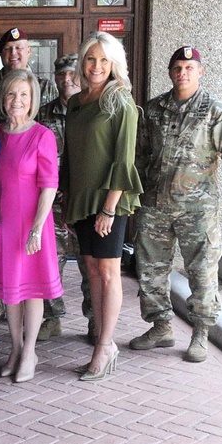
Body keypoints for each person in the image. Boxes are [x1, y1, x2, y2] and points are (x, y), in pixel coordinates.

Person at [132, 46, 222, 362]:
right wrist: (136, 195)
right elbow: (140, 154)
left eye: (189, 67)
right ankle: (161, 327)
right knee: (150, 270)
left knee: (201, 272)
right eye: (177, 67)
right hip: (156, 205)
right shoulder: (155, 109)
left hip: (198, 210)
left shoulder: (215, 110)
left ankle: (201, 332)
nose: (182, 73)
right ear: (170, 72)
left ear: (200, 72)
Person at [61, 32, 142, 381]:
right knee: (92, 270)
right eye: (91, 59)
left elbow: (124, 161)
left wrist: (109, 209)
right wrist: (66, 202)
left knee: (109, 273)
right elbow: (71, 155)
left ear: (114, 65)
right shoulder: (76, 102)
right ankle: (102, 343)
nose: (96, 66)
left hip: (110, 200)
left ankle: (105, 345)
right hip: (81, 199)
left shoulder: (120, 101)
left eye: (103, 60)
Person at [0, 69, 63, 383]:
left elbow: (49, 186)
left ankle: (30, 351)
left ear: (32, 99)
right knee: (9, 293)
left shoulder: (42, 135)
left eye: (23, 95)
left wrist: (35, 229)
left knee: (32, 291)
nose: (16, 101)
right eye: (11, 94)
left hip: (32, 225)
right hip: (2, 225)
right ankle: (15, 349)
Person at [35, 53, 94, 343]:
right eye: (61, 75)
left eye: (72, 74)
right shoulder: (43, 114)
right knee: (50, 261)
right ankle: (51, 317)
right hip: (52, 204)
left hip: (84, 202)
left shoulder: (92, 110)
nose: (66, 80)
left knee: (89, 262)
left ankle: (95, 320)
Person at [0, 27, 57, 112]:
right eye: (7, 49)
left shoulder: (46, 87)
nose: (13, 53)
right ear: (0, 53)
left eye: (19, 48)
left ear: (28, 51)